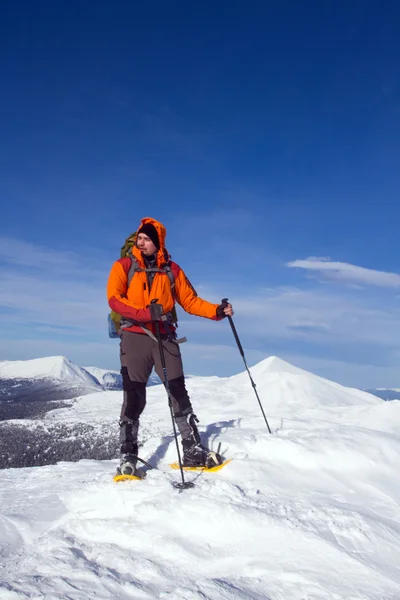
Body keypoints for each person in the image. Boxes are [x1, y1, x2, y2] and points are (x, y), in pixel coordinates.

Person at [107, 217, 234, 475]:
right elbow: (114, 299)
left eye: (146, 239)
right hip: (135, 335)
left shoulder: (172, 270)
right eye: (139, 238)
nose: (140, 242)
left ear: (158, 243)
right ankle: (128, 455)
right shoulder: (123, 266)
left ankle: (192, 448)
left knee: (178, 391)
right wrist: (144, 313)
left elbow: (190, 301)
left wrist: (217, 311)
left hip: (165, 336)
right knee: (134, 396)